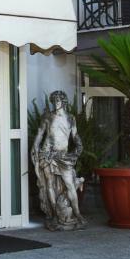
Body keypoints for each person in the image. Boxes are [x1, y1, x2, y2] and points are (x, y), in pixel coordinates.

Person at [31, 91, 86, 230]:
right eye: (54, 100)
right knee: (49, 184)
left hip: (63, 156)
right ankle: (54, 214)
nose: (56, 103)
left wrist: (79, 146)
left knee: (70, 185)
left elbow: (75, 135)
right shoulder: (47, 117)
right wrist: (35, 148)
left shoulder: (70, 118)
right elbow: (39, 134)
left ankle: (77, 214)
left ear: (64, 101)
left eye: (58, 100)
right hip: (48, 154)